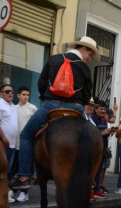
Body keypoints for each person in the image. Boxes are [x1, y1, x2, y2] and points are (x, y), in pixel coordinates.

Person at [12, 36, 99, 190]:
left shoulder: (54, 59)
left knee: (25, 135)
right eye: (90, 55)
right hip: (76, 108)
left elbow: (41, 83)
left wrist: (45, 98)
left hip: (50, 106)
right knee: (91, 139)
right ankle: (89, 178)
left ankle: (24, 176)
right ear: (83, 49)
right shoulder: (85, 68)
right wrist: (79, 102)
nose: (90, 59)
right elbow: (87, 95)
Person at [0, 84, 18, 202]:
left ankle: (3, 194)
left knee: (6, 171)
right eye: (7, 91)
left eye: (12, 91)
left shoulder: (12, 105)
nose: (10, 93)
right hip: (3, 144)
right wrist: (4, 139)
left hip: (11, 144)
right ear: (1, 93)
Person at [12, 86, 37, 202]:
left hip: (26, 144)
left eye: (27, 95)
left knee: (25, 169)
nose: (25, 97)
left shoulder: (32, 108)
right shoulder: (13, 108)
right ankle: (14, 191)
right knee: (15, 168)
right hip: (14, 143)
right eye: (23, 94)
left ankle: (24, 193)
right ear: (18, 95)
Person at [91, 102, 113, 200]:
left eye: (104, 109)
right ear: (95, 110)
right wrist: (102, 133)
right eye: (100, 109)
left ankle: (96, 190)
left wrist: (109, 132)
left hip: (103, 149)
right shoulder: (92, 119)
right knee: (92, 171)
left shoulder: (104, 120)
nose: (102, 111)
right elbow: (91, 134)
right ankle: (89, 191)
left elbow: (104, 133)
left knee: (99, 171)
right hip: (93, 149)